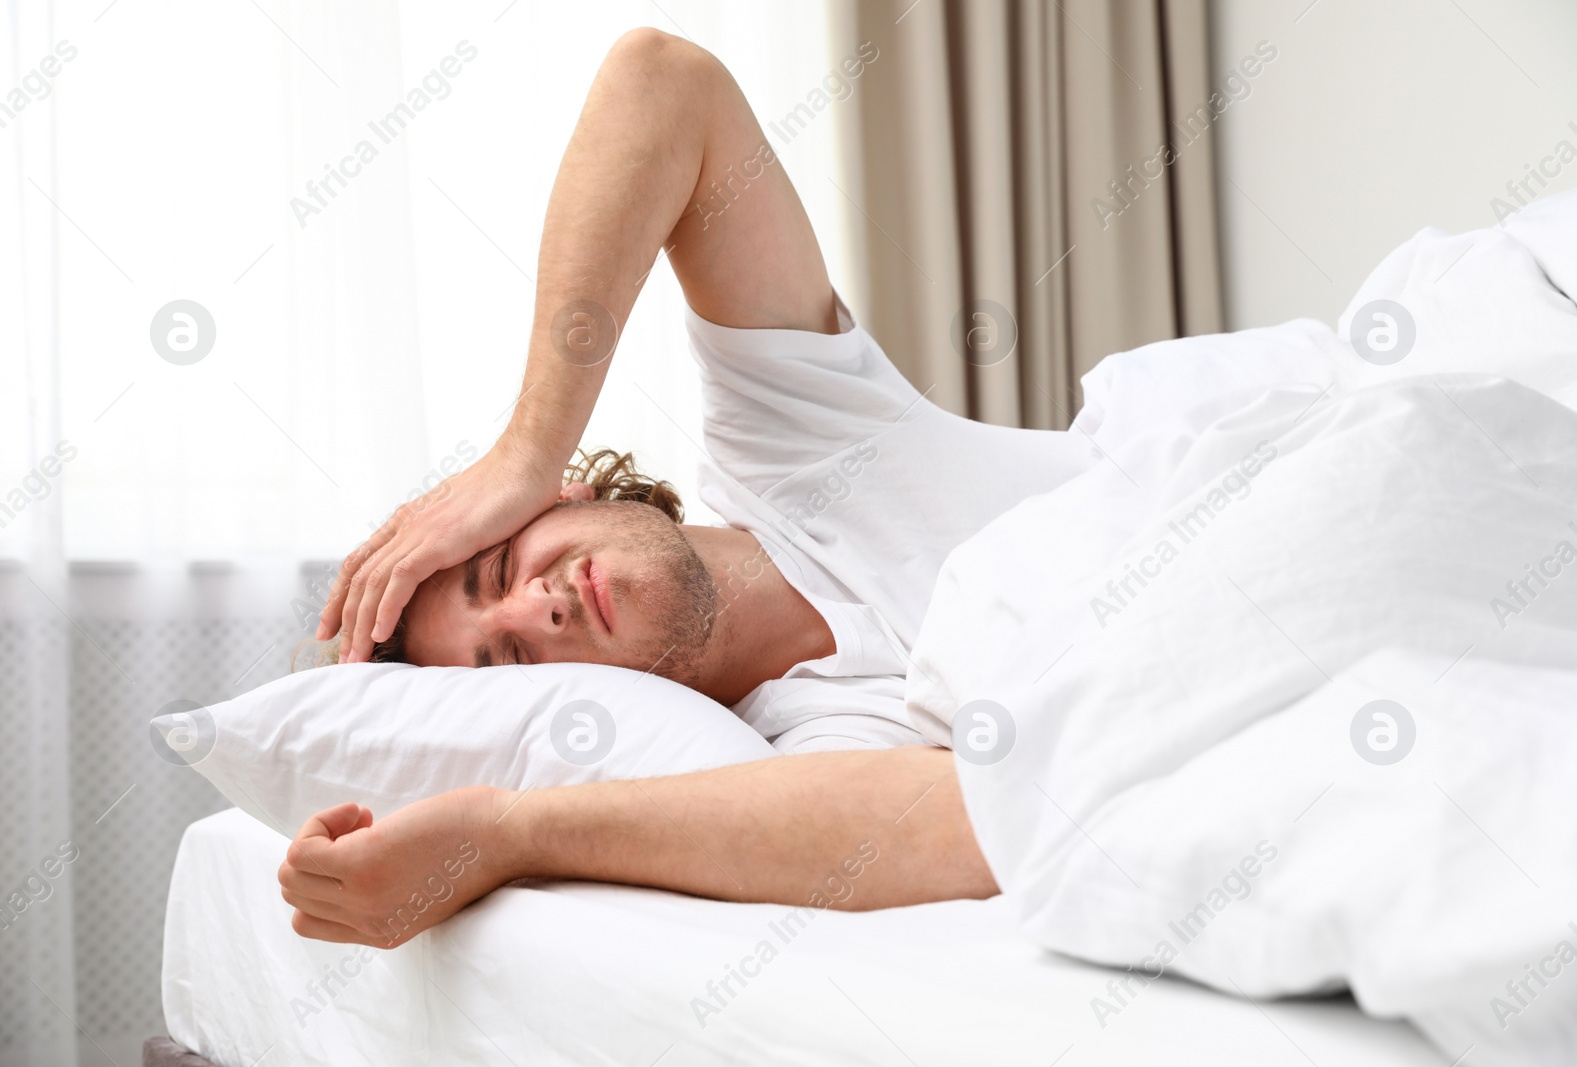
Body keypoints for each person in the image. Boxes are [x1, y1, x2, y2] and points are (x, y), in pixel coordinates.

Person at [282, 28, 1089, 946]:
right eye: (508, 664)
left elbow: (666, 83)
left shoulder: (792, 439)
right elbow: (975, 821)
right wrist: (500, 835)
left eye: (501, 567)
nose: (534, 613)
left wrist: (522, 451)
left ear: (567, 493)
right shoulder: (801, 750)